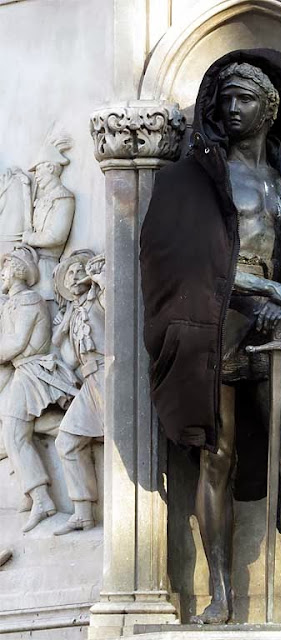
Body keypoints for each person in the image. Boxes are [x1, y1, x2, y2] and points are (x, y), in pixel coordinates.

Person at [140, 49, 281, 629]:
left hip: (276, 332)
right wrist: (251, 287)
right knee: (215, 459)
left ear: (269, 110)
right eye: (226, 102)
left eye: (245, 100)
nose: (233, 110)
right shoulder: (190, 179)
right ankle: (219, 595)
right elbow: (175, 257)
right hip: (215, 326)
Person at [0, 245, 78, 532]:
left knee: (14, 433)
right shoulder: (12, 302)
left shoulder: (29, 301)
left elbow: (18, 342)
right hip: (23, 371)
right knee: (38, 427)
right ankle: (78, 433)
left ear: (19, 270)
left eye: (6, 268)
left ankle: (42, 499)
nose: (2, 274)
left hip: (33, 371)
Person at [52, 251, 105, 535]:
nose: (74, 278)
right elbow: (72, 360)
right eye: (69, 274)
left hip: (109, 377)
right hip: (89, 383)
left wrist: (100, 278)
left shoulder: (100, 298)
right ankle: (83, 512)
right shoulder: (75, 312)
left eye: (78, 271)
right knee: (67, 441)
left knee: (121, 447)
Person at [22, 136, 75, 300]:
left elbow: (55, 236)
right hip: (33, 263)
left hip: (47, 269)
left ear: (51, 168)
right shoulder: (42, 199)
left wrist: (30, 238)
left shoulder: (63, 198)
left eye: (38, 170)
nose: (36, 176)